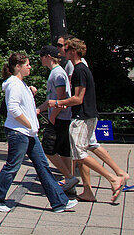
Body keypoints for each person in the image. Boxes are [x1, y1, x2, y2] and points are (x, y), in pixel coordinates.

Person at [0, 53, 76, 213]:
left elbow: (22, 105)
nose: (30, 67)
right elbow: (13, 108)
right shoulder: (14, 84)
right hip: (19, 132)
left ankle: (59, 201)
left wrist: (30, 93)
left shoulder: (20, 84)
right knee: (13, 166)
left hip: (28, 133)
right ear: (18, 67)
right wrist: (28, 123)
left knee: (42, 166)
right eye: (27, 64)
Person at [50, 37, 124, 203]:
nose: (63, 51)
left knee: (79, 153)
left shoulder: (79, 70)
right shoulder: (80, 69)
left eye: (66, 49)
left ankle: (113, 178)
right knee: (81, 153)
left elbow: (78, 98)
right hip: (86, 116)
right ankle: (88, 192)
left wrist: (57, 103)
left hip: (82, 117)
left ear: (74, 52)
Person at [36, 45, 77, 190]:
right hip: (62, 117)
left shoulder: (58, 74)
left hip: (59, 118)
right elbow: (52, 99)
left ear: (48, 57)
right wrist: (40, 109)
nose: (40, 59)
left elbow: (60, 98)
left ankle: (69, 177)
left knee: (48, 148)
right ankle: (69, 181)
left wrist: (52, 116)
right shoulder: (56, 73)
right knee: (64, 150)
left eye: (41, 56)